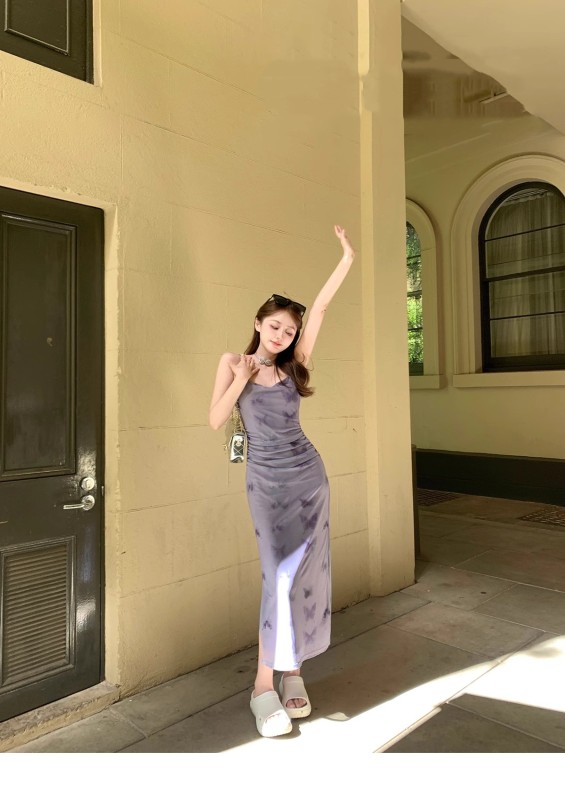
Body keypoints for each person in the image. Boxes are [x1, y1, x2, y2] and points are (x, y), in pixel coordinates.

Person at [209, 225, 355, 737]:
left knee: (308, 577)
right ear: (258, 323)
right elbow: (216, 420)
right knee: (280, 578)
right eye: (274, 326)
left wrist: (346, 258)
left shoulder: (295, 367)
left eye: (289, 331)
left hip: (309, 480)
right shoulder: (233, 362)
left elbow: (322, 309)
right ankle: (261, 686)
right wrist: (243, 377)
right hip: (265, 484)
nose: (281, 335)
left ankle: (294, 673)